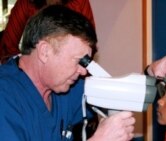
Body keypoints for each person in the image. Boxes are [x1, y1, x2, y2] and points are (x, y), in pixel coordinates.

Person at [0, 5, 135, 141]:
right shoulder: (5, 97)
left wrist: (151, 73)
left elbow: (120, 92)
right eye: (78, 61)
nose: (83, 71)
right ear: (44, 52)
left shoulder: (67, 89)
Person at [0, 0, 95, 63]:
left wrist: (75, 68)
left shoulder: (79, 2)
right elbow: (8, 45)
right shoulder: (26, 2)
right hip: (37, 70)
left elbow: (89, 43)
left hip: (72, 71)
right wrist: (24, 69)